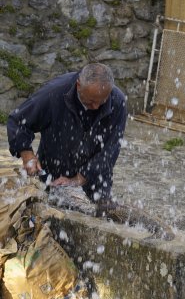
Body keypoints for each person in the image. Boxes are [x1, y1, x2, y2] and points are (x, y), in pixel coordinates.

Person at [7, 63, 127, 203]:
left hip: (96, 176)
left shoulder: (117, 101)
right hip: (52, 172)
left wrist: (77, 180)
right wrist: (27, 156)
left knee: (104, 215)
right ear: (78, 85)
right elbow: (18, 121)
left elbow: (110, 150)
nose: (96, 107)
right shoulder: (54, 93)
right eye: (91, 101)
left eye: (102, 102)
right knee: (44, 212)